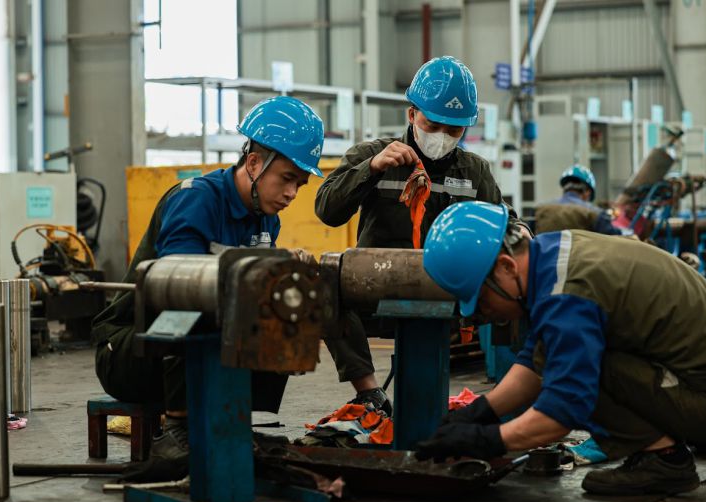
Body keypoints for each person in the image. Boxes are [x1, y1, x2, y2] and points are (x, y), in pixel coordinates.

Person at [415, 201, 706, 496]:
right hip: (703, 384)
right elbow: (536, 360)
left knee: (585, 370)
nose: (486, 314)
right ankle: (665, 451)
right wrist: (479, 412)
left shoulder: (565, 294)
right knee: (566, 357)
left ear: (506, 266)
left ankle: (665, 460)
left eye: (482, 300)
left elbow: (562, 410)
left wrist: (485, 440)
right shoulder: (555, 255)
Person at [90, 96, 325, 465]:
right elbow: (176, 286)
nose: (292, 194)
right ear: (253, 163)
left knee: (276, 314)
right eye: (287, 179)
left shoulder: (266, 219)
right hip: (127, 348)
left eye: (301, 183)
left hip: (174, 349)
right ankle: (178, 430)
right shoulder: (196, 200)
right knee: (192, 308)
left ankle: (230, 416)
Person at [315, 56, 523, 413]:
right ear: (412, 114)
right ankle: (369, 392)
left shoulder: (473, 171)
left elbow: (508, 225)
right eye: (434, 123)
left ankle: (518, 386)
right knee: (324, 281)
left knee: (520, 286)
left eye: (454, 129)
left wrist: (521, 235)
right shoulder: (373, 155)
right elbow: (327, 210)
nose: (442, 135)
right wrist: (372, 168)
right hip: (380, 282)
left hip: (448, 286)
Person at [534, 164, 624, 235]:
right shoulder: (595, 213)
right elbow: (614, 237)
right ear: (587, 192)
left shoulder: (539, 210)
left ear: (565, 188)